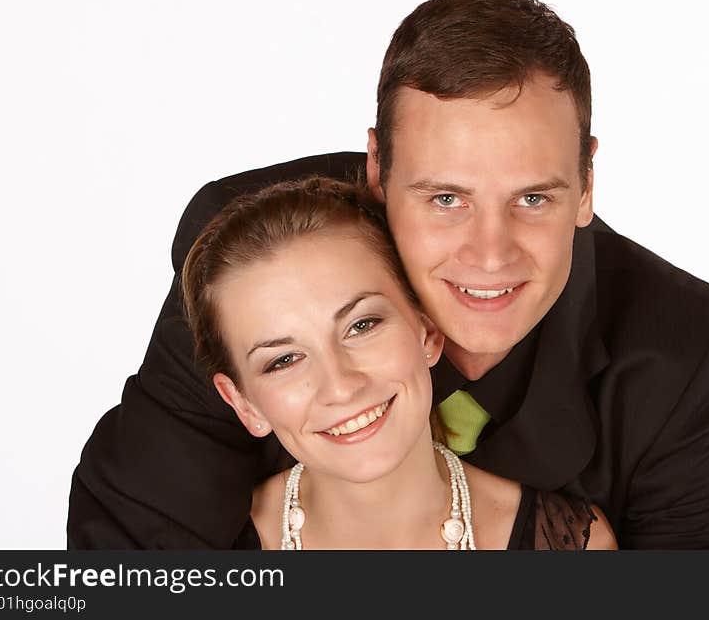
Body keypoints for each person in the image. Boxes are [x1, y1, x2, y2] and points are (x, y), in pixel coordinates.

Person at [68, 0, 709, 549]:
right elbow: (129, 544)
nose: (490, 254)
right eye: (446, 198)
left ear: (588, 182)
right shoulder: (253, 259)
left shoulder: (686, 350)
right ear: (377, 171)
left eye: (534, 197)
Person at [179, 176, 617, 549]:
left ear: (426, 330)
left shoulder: (573, 545)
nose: (340, 385)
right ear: (244, 404)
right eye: (284, 360)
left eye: (362, 325)